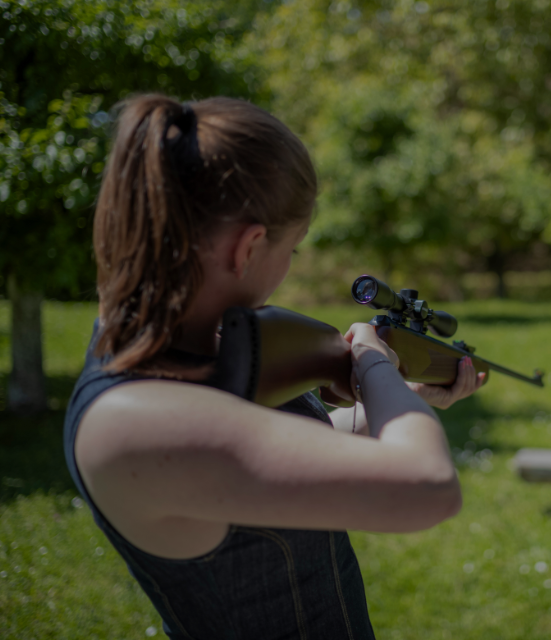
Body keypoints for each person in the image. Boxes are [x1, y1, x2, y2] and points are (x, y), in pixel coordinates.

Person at [63, 94, 484, 639]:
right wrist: (375, 366)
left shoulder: (179, 346)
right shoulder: (133, 419)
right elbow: (428, 487)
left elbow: (271, 455)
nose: (289, 266)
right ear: (249, 247)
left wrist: (405, 400)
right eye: (294, 249)